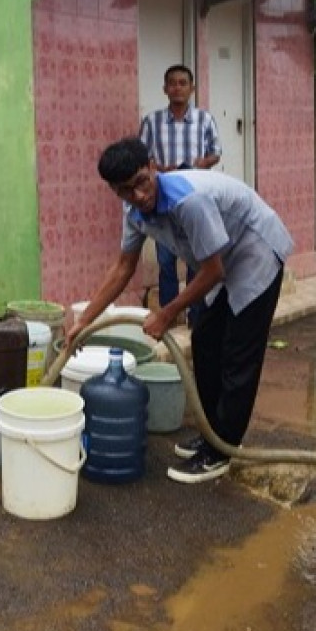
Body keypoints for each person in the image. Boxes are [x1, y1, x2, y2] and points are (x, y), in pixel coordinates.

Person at [68, 137, 292, 484]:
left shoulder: (189, 200)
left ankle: (222, 450)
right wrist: (84, 320)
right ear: (116, 192)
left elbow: (213, 270)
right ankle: (211, 433)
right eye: (126, 191)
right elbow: (124, 266)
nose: (139, 195)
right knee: (205, 343)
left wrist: (166, 312)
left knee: (237, 355)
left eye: (142, 182)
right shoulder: (134, 212)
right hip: (219, 260)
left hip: (254, 251)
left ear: (153, 167)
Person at [138, 65, 221, 329]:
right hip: (163, 197)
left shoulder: (204, 120)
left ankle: (196, 316)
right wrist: (161, 170)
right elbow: (143, 157)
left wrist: (200, 164)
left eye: (183, 83)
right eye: (172, 83)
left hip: (194, 196)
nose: (177, 88)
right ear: (165, 89)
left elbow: (216, 152)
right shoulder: (152, 122)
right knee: (166, 260)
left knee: (197, 259)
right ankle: (169, 316)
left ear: (192, 88)